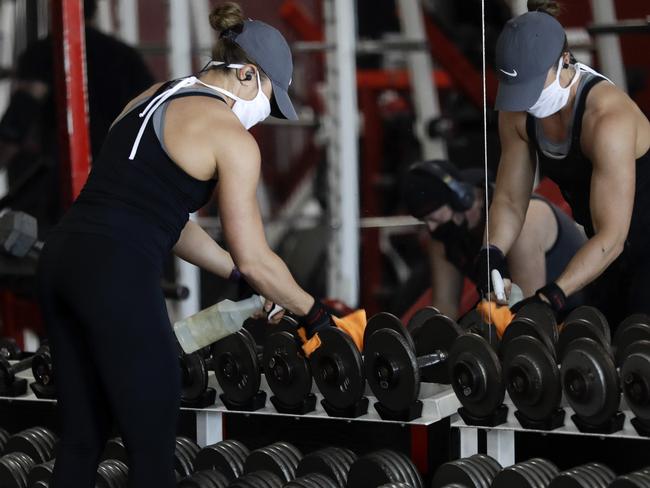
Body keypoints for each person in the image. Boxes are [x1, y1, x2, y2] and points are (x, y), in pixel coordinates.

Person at [37, 3, 333, 487]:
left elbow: (163, 216)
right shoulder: (231, 137)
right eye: (269, 99)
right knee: (152, 451)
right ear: (246, 74)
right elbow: (257, 257)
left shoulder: (150, 95)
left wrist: (235, 275)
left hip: (62, 261)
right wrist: (314, 312)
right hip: (115, 274)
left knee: (81, 439)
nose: (265, 114)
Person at [479, 0, 650, 327]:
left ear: (565, 61)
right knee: (596, 351)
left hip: (627, 241)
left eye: (532, 87)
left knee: (638, 351)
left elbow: (613, 235)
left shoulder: (607, 119)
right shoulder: (517, 111)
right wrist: (492, 254)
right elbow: (510, 200)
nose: (526, 101)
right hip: (606, 253)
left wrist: (551, 296)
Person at [0, 0, 154, 231]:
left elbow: (21, 115)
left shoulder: (46, 50)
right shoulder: (126, 56)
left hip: (58, 184)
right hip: (119, 178)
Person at [403, 159, 586, 319]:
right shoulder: (443, 234)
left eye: (434, 218)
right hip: (530, 318)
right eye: (424, 221)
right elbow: (445, 308)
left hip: (581, 315)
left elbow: (527, 311)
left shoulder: (525, 221)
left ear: (462, 199)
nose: (431, 228)